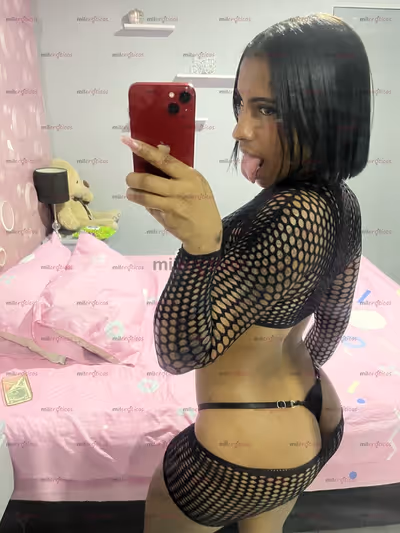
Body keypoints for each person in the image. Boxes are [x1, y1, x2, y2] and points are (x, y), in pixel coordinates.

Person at [122, 12, 370, 533]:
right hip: (318, 412)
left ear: (325, 112)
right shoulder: (343, 202)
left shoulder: (286, 217)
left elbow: (178, 354)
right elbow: (333, 320)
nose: (240, 129)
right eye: (241, 103)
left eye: (267, 109)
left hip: (243, 448)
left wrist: (199, 248)